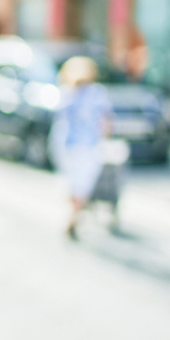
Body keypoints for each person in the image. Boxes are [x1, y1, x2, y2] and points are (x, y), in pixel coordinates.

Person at [50, 55, 113, 240]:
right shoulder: (97, 93)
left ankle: (74, 213)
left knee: (72, 183)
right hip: (87, 146)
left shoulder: (67, 93)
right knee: (82, 184)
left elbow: (59, 119)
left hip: (67, 145)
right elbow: (106, 123)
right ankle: (76, 213)